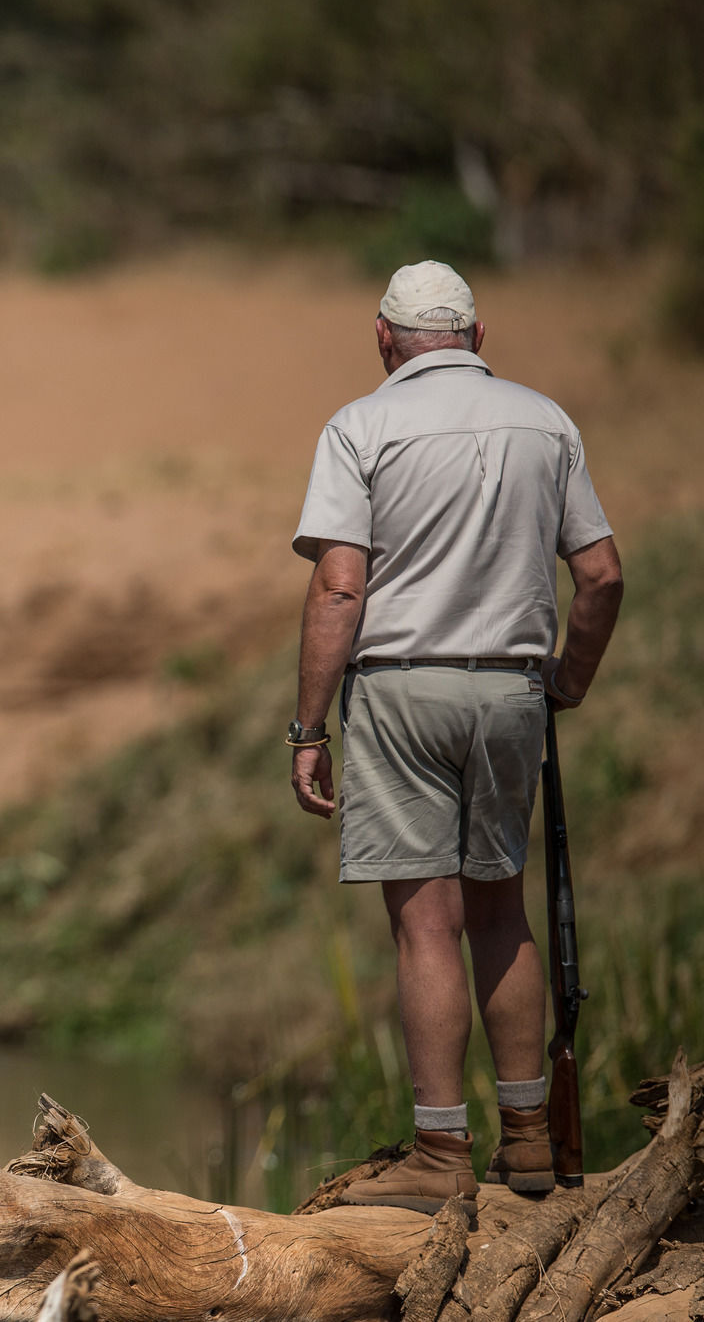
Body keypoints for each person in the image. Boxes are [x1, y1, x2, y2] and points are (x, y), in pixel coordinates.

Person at [287, 261, 624, 1212]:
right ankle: (526, 1138)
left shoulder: (360, 424)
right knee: (500, 910)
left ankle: (440, 1152)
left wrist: (306, 729)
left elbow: (342, 585)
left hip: (400, 687)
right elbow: (600, 576)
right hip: (513, 688)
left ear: (384, 340)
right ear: (478, 339)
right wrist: (567, 678)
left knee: (424, 922)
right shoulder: (545, 419)